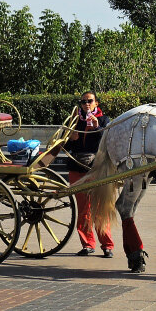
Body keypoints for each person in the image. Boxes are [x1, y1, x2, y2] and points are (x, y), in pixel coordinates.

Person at [67, 91, 114, 258]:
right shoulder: (75, 120)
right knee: (83, 210)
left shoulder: (104, 120)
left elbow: (109, 141)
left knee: (101, 208)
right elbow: (64, 144)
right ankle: (87, 244)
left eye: (89, 101)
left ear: (96, 103)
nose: (86, 104)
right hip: (77, 167)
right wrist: (71, 138)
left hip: (97, 168)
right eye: (83, 101)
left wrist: (98, 128)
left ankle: (107, 246)